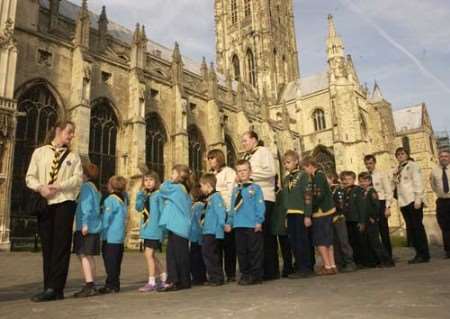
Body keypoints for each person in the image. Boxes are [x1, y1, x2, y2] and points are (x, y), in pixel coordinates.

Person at [26, 120, 83, 302]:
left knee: (61, 246)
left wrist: (59, 186)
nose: (72, 135)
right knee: (47, 245)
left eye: (73, 132)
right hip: (45, 202)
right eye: (70, 132)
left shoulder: (73, 157)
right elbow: (30, 177)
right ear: (58, 131)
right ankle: (49, 287)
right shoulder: (40, 152)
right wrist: (41, 187)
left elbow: (78, 179)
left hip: (64, 202)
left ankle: (55, 287)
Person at [241, 131, 279, 280]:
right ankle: (258, 268)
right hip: (250, 200)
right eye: (242, 141)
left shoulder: (263, 152)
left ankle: (271, 270)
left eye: (245, 140)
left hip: (264, 196)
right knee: (255, 236)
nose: (243, 144)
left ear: (254, 140)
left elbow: (271, 172)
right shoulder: (245, 157)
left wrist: (249, 174)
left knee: (266, 235)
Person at [225, 160, 265, 285]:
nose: (242, 173)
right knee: (241, 251)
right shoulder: (236, 190)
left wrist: (259, 220)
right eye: (239, 171)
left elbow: (260, 205)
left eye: (245, 170)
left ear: (250, 171)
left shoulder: (255, 188)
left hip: (252, 225)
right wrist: (229, 222)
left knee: (254, 251)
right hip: (238, 225)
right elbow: (232, 207)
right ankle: (245, 273)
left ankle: (256, 275)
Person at [158, 165, 193, 291]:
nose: (170, 176)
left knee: (178, 255)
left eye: (173, 173)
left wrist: (168, 181)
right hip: (176, 225)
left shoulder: (177, 188)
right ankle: (177, 280)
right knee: (173, 254)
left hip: (179, 226)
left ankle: (180, 280)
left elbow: (162, 189)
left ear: (180, 176)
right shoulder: (180, 189)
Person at [393, 147, 430, 264]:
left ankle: (424, 254)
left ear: (407, 154)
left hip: (413, 200)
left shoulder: (412, 165)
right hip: (403, 202)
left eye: (402, 153)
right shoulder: (397, 169)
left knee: (418, 228)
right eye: (398, 154)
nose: (400, 156)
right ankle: (418, 253)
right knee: (412, 229)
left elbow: (417, 181)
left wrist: (418, 198)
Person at [281, 151, 314, 278]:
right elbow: (285, 198)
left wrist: (307, 214)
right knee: (293, 242)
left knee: (302, 241)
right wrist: (285, 216)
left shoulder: (303, 175)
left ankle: (305, 267)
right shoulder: (286, 179)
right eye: (284, 163)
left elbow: (308, 195)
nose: (286, 165)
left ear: (296, 161)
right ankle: (299, 266)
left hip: (301, 213)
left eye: (288, 162)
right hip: (290, 214)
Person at [302, 157, 337, 275]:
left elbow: (318, 195)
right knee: (328, 240)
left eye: (304, 168)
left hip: (321, 212)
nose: (304, 171)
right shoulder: (320, 176)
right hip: (326, 211)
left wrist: (309, 207)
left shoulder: (317, 176)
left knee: (321, 240)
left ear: (310, 166)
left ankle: (327, 266)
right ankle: (332, 264)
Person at [207, 149, 237, 281]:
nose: (209, 160)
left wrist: (230, 212)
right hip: (213, 213)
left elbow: (231, 192)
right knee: (216, 245)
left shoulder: (228, 172)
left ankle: (230, 274)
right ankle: (218, 273)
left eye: (212, 157)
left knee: (229, 245)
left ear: (219, 158)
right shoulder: (210, 174)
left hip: (225, 210)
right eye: (208, 158)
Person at [72, 163, 102, 298]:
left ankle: (89, 285)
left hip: (86, 226)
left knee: (83, 255)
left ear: (85, 174)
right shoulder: (95, 188)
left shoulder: (85, 187)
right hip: (94, 226)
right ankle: (92, 284)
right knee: (88, 256)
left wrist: (84, 224)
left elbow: (86, 206)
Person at [135, 171, 166, 292]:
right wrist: (139, 197)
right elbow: (138, 208)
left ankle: (152, 281)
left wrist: (163, 229)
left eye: (151, 180)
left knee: (148, 254)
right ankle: (164, 277)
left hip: (155, 229)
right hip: (147, 229)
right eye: (146, 180)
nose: (148, 183)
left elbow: (163, 212)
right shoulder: (146, 195)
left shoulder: (159, 195)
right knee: (151, 255)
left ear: (156, 181)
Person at [358, 172, 395, 268]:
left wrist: (373, 217)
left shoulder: (372, 192)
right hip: (366, 220)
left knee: (376, 242)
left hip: (372, 220)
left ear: (370, 181)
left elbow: (376, 206)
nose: (363, 183)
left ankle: (387, 260)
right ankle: (377, 260)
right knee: (370, 241)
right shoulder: (363, 192)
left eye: (365, 181)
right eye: (361, 181)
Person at [99, 176, 128, 294]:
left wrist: (100, 229)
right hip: (120, 236)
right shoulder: (124, 198)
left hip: (110, 235)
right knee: (116, 262)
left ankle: (110, 285)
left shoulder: (110, 199)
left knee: (109, 262)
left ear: (110, 185)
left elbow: (107, 217)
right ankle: (115, 284)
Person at [364, 154, 394, 258]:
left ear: (374, 163)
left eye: (370, 163)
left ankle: (388, 256)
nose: (369, 165)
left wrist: (387, 207)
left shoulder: (381, 174)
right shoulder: (365, 177)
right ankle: (378, 257)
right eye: (367, 164)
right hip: (370, 205)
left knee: (384, 231)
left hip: (380, 203)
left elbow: (388, 191)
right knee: (373, 232)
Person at [199, 173, 226, 286]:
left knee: (211, 255)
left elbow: (221, 213)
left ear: (208, 185)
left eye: (202, 186)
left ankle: (217, 277)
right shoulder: (209, 198)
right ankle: (213, 276)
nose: (201, 188)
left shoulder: (216, 197)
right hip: (207, 231)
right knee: (207, 254)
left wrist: (221, 228)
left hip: (213, 231)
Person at [328, 173, 357, 272]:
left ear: (332, 178)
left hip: (338, 217)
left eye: (326, 179)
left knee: (343, 241)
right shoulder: (329, 190)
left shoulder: (338, 190)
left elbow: (341, 204)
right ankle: (339, 263)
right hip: (330, 218)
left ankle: (350, 262)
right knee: (335, 242)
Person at [339, 171, 366, 267]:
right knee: (351, 241)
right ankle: (355, 260)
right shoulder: (342, 191)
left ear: (353, 180)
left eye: (349, 179)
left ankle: (363, 261)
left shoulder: (357, 190)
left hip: (356, 219)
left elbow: (361, 207)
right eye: (344, 179)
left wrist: (362, 221)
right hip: (347, 220)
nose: (346, 181)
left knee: (359, 241)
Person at [430, 150, 450, 258]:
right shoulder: (434, 171)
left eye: (446, 156)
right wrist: (440, 193)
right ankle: (448, 251)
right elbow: (433, 185)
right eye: (442, 156)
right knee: (445, 227)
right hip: (442, 201)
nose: (444, 158)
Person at [189, 185, 207, 285]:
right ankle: (199, 277)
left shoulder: (198, 206)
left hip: (197, 236)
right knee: (197, 257)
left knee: (196, 258)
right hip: (195, 236)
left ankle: (199, 277)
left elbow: (198, 221)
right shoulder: (197, 206)